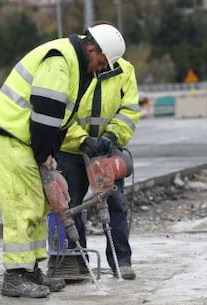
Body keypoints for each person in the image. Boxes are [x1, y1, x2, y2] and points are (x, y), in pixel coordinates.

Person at [0, 24, 126, 298]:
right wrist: (44, 156)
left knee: (38, 204)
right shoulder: (61, 60)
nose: (99, 68)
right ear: (91, 48)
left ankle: (31, 269)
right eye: (100, 61)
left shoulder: (76, 65)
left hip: (26, 139)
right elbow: (46, 115)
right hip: (11, 135)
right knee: (21, 203)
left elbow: (60, 120)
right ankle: (14, 276)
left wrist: (49, 157)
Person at [46, 55, 141, 280]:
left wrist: (112, 135)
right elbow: (60, 113)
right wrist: (82, 139)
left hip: (107, 148)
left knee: (115, 203)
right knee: (68, 206)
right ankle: (74, 264)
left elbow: (129, 111)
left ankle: (121, 260)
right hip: (70, 149)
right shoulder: (72, 68)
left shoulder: (125, 70)